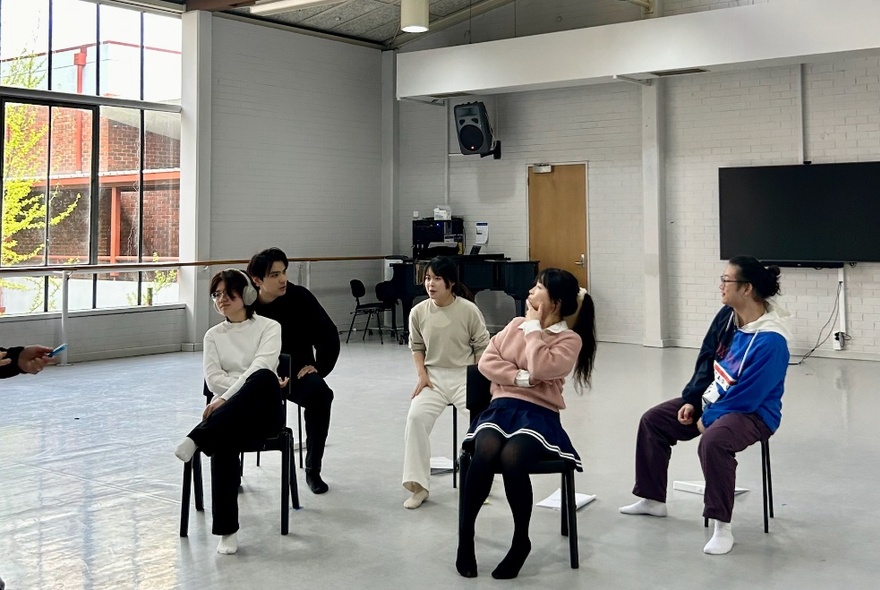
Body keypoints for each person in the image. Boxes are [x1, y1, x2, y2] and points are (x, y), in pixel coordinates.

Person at [619, 256, 791, 556]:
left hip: (753, 414)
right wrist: (691, 400)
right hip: (716, 399)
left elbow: (748, 396)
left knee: (714, 441)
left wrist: (707, 417)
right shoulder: (727, 315)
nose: (721, 285)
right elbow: (707, 359)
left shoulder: (772, 341)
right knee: (654, 420)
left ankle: (721, 524)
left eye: (727, 280)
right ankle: (652, 499)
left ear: (747, 288)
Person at [455, 268, 596, 579]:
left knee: (513, 456)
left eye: (539, 287)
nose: (531, 292)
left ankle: (521, 541)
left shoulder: (569, 339)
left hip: (539, 415)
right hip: (500, 408)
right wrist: (521, 377)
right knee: (486, 448)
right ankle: (465, 538)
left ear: (555, 302)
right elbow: (487, 362)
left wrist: (534, 331)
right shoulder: (515, 325)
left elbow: (544, 366)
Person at [174, 268, 285, 555]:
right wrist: (231, 395)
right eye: (216, 294)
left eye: (227, 293)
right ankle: (227, 531)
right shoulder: (212, 336)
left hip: (264, 414)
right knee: (223, 440)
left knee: (262, 378)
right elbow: (213, 380)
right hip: (228, 419)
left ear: (246, 294)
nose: (221, 299)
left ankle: (198, 436)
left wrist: (225, 399)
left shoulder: (270, 327)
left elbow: (261, 367)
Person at [247, 247, 340, 495]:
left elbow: (328, 334)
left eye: (284, 272)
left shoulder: (300, 298)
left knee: (321, 394)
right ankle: (233, 471)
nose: (283, 279)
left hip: (298, 373)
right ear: (257, 280)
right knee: (234, 401)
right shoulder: (249, 308)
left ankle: (313, 470)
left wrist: (319, 368)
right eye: (275, 274)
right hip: (260, 376)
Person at [403, 256, 490, 509]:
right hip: (433, 379)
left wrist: (480, 381)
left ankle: (480, 484)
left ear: (451, 283)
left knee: (482, 423)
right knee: (415, 419)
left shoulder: (468, 310)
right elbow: (416, 347)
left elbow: (482, 346)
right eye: (427, 278)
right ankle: (419, 486)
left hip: (465, 376)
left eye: (437, 279)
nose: (430, 284)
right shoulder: (418, 312)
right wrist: (422, 376)